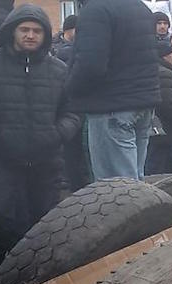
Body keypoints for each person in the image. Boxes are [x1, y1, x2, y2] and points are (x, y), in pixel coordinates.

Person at [0, 4, 80, 269]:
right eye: (24, 29)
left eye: (36, 30)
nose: (30, 35)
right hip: (2, 162)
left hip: (46, 163)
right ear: (12, 31)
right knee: (1, 222)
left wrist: (56, 134)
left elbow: (73, 111)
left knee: (43, 225)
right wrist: (1, 135)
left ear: (44, 35)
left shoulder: (59, 70)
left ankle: (34, 282)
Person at [67, 0, 159, 181]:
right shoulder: (140, 7)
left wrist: (69, 89)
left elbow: (90, 65)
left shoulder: (96, 10)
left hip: (111, 106)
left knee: (116, 190)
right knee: (135, 185)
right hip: (142, 103)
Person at [145, 39, 172, 175]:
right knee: (168, 172)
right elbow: (168, 104)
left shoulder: (153, 71)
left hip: (157, 133)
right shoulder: (164, 74)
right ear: (164, 55)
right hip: (166, 134)